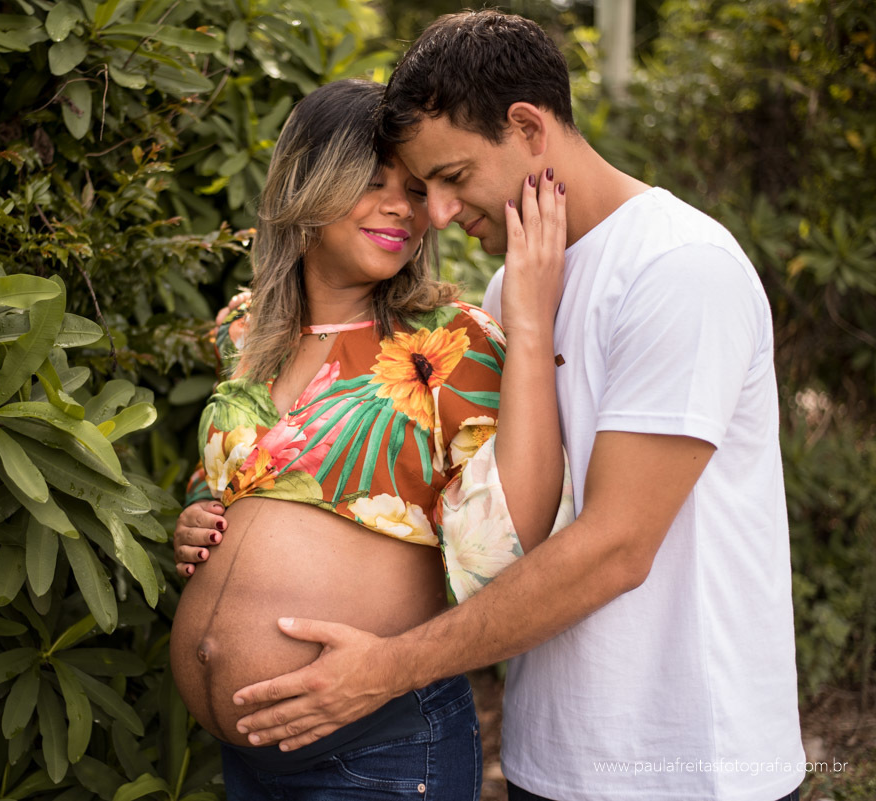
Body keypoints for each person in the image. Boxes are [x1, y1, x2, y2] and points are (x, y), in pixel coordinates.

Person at [206, 11, 805, 801]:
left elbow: (616, 546)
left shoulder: (678, 268)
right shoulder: (513, 284)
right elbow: (471, 526)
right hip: (555, 755)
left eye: (450, 179)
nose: (438, 215)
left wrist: (385, 668)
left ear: (527, 126)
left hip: (689, 765)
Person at [169, 77, 573, 799]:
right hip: (249, 764)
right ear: (308, 182)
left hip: (382, 748)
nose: (401, 206)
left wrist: (532, 320)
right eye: (372, 181)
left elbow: (519, 529)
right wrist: (197, 519)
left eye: (415, 189)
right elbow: (236, 484)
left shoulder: (454, 343)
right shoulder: (244, 329)